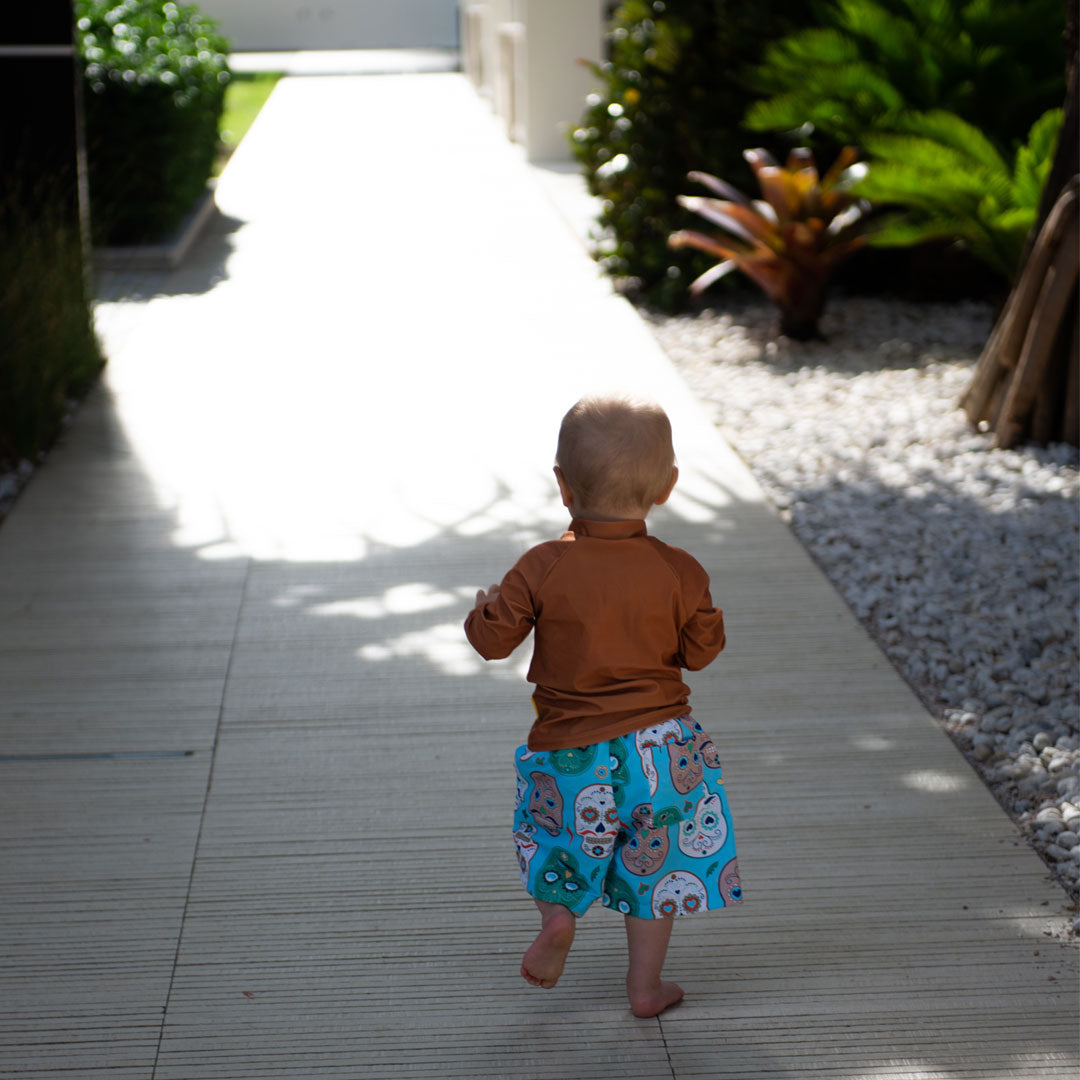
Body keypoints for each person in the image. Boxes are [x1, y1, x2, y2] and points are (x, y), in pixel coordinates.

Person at [464, 395, 742, 1018]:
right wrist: (704, 611)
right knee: (657, 870)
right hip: (665, 754)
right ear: (667, 487)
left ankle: (559, 918)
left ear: (562, 486)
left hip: (570, 751)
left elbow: (491, 643)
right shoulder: (680, 570)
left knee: (550, 841)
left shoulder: (543, 565)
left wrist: (483, 608)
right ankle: (644, 988)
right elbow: (702, 653)